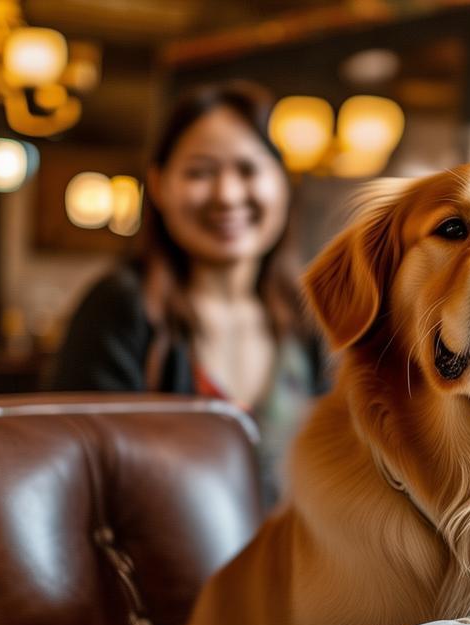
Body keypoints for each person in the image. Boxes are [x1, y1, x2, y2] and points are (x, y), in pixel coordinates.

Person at [52, 81, 315, 507]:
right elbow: (79, 472)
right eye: (200, 172)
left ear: (282, 182)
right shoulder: (121, 307)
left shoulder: (311, 316)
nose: (227, 195)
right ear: (158, 186)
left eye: (248, 170)